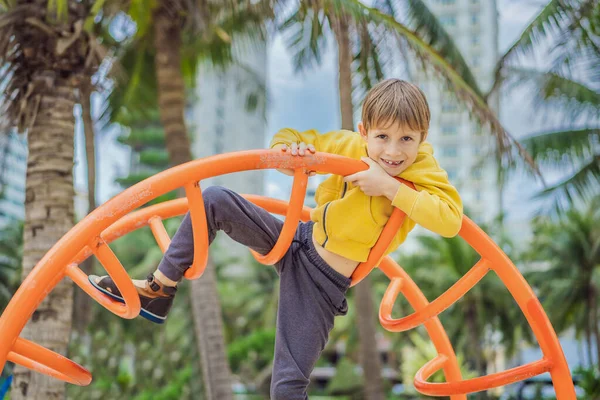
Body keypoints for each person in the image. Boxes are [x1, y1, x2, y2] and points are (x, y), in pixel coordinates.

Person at [89, 78, 463, 399]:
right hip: (296, 239)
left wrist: (389, 187)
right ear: (365, 131)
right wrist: (290, 150)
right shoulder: (350, 144)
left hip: (321, 282)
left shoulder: (422, 169)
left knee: (286, 386)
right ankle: (159, 289)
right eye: (382, 137)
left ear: (422, 138)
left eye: (406, 139)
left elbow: (450, 219)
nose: (394, 151)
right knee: (214, 200)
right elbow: (294, 139)